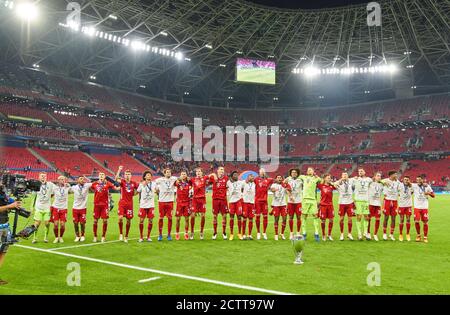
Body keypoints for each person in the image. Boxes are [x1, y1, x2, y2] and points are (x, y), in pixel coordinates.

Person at [0, 190, 22, 286]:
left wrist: (15, 203)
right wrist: (9, 206)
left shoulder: (2, 192)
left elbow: (10, 200)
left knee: (3, 252)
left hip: (4, 225)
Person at [91, 172, 117, 243]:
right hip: (96, 205)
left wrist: (119, 186)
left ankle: (103, 236)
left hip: (104, 205)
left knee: (105, 220)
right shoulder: (94, 184)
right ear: (98, 176)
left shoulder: (108, 183)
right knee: (95, 221)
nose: (101, 176)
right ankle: (95, 236)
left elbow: (115, 187)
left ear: (105, 176)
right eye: (100, 175)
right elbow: (89, 188)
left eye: (103, 175)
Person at [115, 166, 138, 243]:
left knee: (128, 220)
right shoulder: (122, 182)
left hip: (130, 204)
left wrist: (135, 193)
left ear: (131, 175)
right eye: (126, 174)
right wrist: (119, 170)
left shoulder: (134, 183)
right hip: (122, 203)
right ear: (124, 175)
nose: (127, 175)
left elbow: (139, 189)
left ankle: (126, 236)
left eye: (129, 174)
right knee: (120, 218)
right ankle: (121, 233)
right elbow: (116, 178)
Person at [32, 173, 56, 244]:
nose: (43, 177)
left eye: (44, 176)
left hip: (47, 207)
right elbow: (33, 197)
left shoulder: (50, 184)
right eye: (42, 176)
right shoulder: (36, 185)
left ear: (46, 177)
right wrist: (32, 207)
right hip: (38, 207)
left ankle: (45, 237)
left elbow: (56, 190)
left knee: (47, 223)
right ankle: (34, 237)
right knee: (37, 223)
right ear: (39, 177)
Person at [154, 168, 178, 241]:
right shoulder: (160, 180)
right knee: (161, 218)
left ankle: (169, 234)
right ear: (164, 173)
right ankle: (160, 234)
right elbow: (154, 183)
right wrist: (156, 189)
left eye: (169, 172)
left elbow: (179, 179)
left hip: (170, 201)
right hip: (162, 201)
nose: (168, 173)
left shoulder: (174, 178)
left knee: (170, 218)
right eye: (167, 172)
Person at [299, 167, 322, 242]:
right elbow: (295, 176)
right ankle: (304, 233)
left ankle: (316, 233)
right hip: (305, 199)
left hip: (313, 200)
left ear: (313, 171)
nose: (309, 171)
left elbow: (322, 181)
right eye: (308, 170)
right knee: (304, 216)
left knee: (315, 216)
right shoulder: (303, 177)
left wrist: (316, 176)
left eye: (311, 170)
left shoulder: (316, 178)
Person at [411, 176, 435, 243]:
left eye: (419, 179)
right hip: (417, 207)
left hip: (424, 207)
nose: (418, 181)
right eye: (417, 180)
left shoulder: (427, 186)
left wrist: (429, 193)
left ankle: (425, 237)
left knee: (425, 222)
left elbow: (433, 195)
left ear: (422, 180)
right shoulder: (414, 186)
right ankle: (418, 235)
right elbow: (408, 184)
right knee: (416, 221)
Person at [189, 168, 210, 240]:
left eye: (199, 171)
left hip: (202, 199)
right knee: (192, 216)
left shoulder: (205, 178)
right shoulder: (192, 179)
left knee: (203, 216)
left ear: (202, 173)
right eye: (197, 172)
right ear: (195, 173)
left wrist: (214, 176)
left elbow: (212, 175)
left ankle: (201, 232)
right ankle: (192, 232)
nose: (198, 173)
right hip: (195, 199)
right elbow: (185, 182)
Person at [352, 168, 372, 240]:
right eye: (359, 171)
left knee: (366, 217)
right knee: (359, 217)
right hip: (358, 201)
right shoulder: (355, 179)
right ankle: (359, 234)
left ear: (364, 172)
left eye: (361, 171)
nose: (360, 172)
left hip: (366, 201)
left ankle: (365, 233)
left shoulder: (369, 179)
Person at [209, 166, 229, 240]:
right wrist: (213, 174)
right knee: (215, 216)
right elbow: (206, 179)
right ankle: (215, 232)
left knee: (224, 216)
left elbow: (229, 186)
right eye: (221, 169)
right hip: (215, 200)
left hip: (223, 200)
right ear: (217, 171)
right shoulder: (213, 178)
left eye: (223, 170)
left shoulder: (226, 178)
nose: (222, 171)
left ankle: (224, 232)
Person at [269, 175, 292, 240]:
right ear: (276, 179)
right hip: (276, 205)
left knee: (284, 219)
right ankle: (276, 234)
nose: (279, 178)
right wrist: (274, 190)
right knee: (276, 219)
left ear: (282, 179)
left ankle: (282, 233)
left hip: (283, 204)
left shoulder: (284, 185)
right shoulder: (274, 184)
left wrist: (290, 195)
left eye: (280, 177)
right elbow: (272, 189)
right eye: (278, 178)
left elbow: (289, 190)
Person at [253, 168, 274, 240]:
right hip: (257, 201)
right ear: (259, 173)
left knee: (265, 217)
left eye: (263, 172)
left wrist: (271, 188)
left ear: (265, 173)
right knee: (257, 217)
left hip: (264, 201)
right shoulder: (255, 179)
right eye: (261, 172)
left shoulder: (268, 180)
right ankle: (258, 232)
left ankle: (264, 232)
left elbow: (275, 180)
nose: (262, 173)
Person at [71, 176, 92, 242]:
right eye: (81, 179)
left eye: (83, 179)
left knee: (82, 223)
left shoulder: (87, 185)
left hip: (83, 208)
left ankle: (82, 235)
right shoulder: (74, 187)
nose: (82, 180)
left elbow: (95, 183)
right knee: (75, 223)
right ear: (78, 180)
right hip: (75, 208)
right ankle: (77, 236)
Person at [334, 172, 355, 241]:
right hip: (342, 203)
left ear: (348, 176)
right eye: (343, 175)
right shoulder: (339, 182)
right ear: (341, 176)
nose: (345, 176)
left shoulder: (351, 181)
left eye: (346, 175)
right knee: (341, 219)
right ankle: (342, 234)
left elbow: (356, 178)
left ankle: (349, 233)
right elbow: (334, 185)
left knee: (350, 219)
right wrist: (341, 180)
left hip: (350, 203)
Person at [51, 176, 71, 243]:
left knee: (62, 224)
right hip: (56, 208)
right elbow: (50, 194)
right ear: (58, 180)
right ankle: (56, 237)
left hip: (64, 208)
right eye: (61, 179)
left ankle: (61, 237)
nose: (62, 180)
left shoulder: (67, 187)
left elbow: (73, 190)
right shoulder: (55, 188)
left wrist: (69, 185)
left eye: (63, 179)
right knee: (56, 224)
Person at [381, 171, 401, 241]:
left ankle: (391, 234)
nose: (396, 175)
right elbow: (377, 180)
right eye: (395, 174)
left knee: (393, 218)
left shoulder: (398, 182)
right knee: (386, 217)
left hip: (395, 201)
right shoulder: (385, 180)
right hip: (387, 201)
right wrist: (382, 182)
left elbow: (400, 189)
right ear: (391, 175)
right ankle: (384, 234)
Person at [137, 170, 156, 242]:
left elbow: (157, 190)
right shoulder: (141, 184)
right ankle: (141, 236)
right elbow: (137, 192)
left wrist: (157, 191)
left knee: (150, 220)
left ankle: (148, 236)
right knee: (141, 220)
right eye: (147, 175)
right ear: (145, 177)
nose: (149, 176)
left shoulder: (154, 184)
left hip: (151, 205)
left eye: (150, 175)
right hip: (143, 205)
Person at [284, 168, 303, 240]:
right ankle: (291, 233)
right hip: (290, 202)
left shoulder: (300, 180)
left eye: (295, 172)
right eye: (292, 172)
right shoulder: (288, 180)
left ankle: (298, 232)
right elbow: (284, 186)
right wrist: (290, 196)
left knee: (298, 217)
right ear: (290, 173)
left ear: (297, 173)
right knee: (291, 217)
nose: (294, 173)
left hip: (298, 201)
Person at [317, 174, 336, 241]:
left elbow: (337, 185)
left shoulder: (332, 186)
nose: (329, 179)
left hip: (330, 205)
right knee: (323, 221)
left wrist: (332, 183)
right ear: (324, 179)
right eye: (328, 178)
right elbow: (316, 181)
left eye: (330, 178)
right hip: (323, 206)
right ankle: (323, 235)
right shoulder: (321, 186)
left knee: (331, 220)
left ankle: (329, 234)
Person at [227, 171, 244, 240]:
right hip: (231, 202)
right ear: (232, 176)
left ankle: (239, 233)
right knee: (231, 217)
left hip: (238, 201)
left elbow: (244, 187)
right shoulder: (228, 182)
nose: (236, 176)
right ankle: (231, 234)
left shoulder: (241, 182)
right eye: (234, 175)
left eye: (237, 175)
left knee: (239, 217)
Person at [174, 170, 192, 241]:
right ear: (180, 175)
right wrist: (178, 179)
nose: (183, 175)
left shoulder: (189, 183)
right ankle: (177, 233)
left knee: (187, 219)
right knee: (178, 219)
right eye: (182, 174)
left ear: (186, 175)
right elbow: (175, 183)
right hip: (179, 203)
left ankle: (186, 233)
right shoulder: (178, 183)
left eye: (184, 174)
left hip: (187, 203)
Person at [367, 172, 383, 241]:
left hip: (378, 204)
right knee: (369, 219)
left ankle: (375, 234)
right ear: (375, 177)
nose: (379, 177)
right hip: (371, 203)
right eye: (378, 176)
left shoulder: (382, 185)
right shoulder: (370, 183)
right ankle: (368, 233)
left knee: (378, 219)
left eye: (380, 176)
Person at [397, 176, 413, 242]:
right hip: (401, 205)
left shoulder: (411, 186)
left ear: (409, 180)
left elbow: (412, 192)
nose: (406, 181)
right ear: (403, 180)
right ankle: (400, 234)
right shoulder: (400, 185)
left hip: (408, 205)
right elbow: (397, 192)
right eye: (405, 179)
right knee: (401, 219)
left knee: (408, 219)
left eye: (407, 179)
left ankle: (407, 234)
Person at [242, 174, 256, 240]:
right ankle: (243, 234)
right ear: (247, 177)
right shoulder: (243, 182)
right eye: (251, 176)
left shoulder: (255, 184)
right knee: (244, 219)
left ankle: (249, 235)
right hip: (245, 203)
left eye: (253, 176)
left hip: (252, 203)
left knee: (251, 219)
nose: (252, 177)